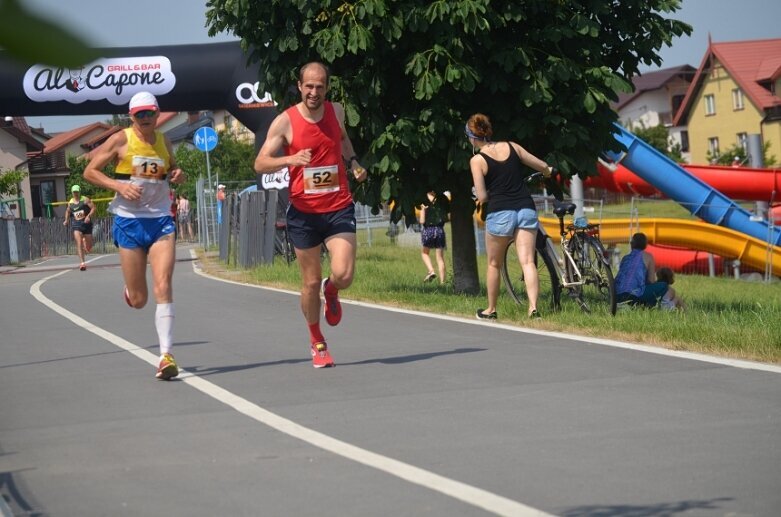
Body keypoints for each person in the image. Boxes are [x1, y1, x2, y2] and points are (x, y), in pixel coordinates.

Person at [253, 61, 368, 368]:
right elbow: (260, 163)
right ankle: (317, 340)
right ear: (300, 86)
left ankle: (333, 290)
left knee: (343, 274)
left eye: (320, 86)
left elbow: (342, 140)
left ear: (326, 88)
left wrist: (353, 161)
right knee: (309, 283)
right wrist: (291, 158)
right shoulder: (285, 121)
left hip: (338, 206)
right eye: (309, 86)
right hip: (304, 214)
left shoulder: (337, 112)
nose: (314, 92)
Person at [84, 91, 185, 380]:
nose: (144, 119)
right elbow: (90, 172)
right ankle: (130, 291)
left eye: (149, 114)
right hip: (129, 221)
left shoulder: (165, 141)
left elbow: (173, 168)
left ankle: (166, 356)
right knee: (140, 299)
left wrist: (178, 173)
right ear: (131, 117)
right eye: (139, 115)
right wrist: (119, 186)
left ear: (157, 114)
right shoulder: (121, 140)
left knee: (163, 283)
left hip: (161, 220)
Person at [466, 113, 553, 320]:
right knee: (527, 262)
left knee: (494, 264)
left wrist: (481, 195)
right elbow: (541, 166)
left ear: (472, 137)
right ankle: (533, 309)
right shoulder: (513, 147)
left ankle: (491, 309)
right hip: (525, 208)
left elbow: (483, 196)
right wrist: (548, 172)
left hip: (500, 212)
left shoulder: (477, 160)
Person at [614, 232, 668, 308]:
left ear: (631, 244)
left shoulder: (625, 258)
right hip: (633, 295)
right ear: (645, 245)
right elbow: (651, 280)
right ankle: (647, 306)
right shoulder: (648, 257)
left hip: (615, 296)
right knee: (664, 285)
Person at [63, 184, 95, 271]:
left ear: (79, 191)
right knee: (78, 243)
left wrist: (88, 216)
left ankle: (86, 242)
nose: (76, 193)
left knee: (89, 247)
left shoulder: (85, 200)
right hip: (76, 225)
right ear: (72, 193)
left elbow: (93, 208)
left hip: (86, 224)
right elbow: (68, 211)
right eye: (74, 192)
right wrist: (66, 220)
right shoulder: (71, 202)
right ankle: (82, 263)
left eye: (77, 192)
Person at [419, 191, 447, 284]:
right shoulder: (441, 202)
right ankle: (443, 282)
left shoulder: (425, 203)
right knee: (440, 258)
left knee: (424, 253)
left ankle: (431, 271)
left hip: (428, 231)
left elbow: (422, 221)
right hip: (439, 230)